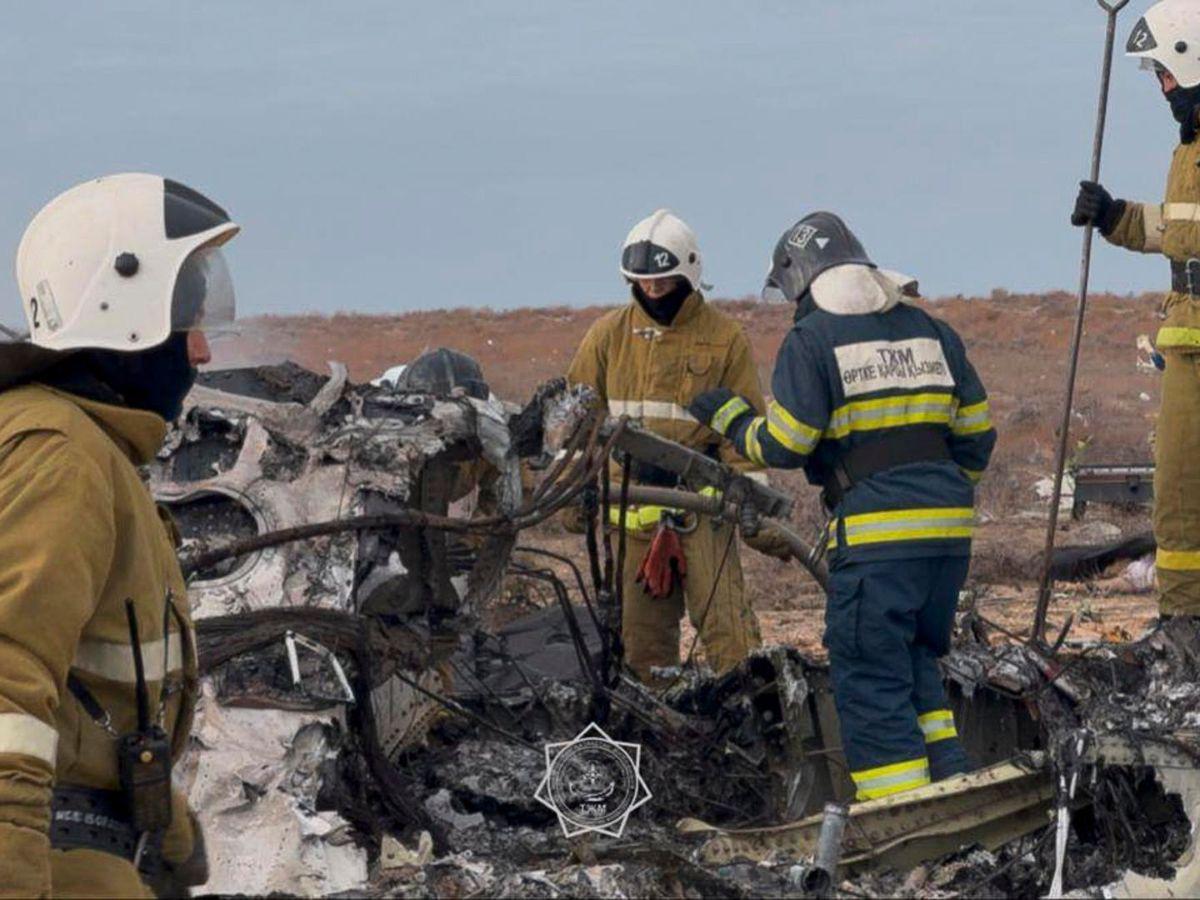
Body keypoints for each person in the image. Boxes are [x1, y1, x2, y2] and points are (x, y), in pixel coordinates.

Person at [690, 212, 996, 801]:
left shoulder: (813, 340)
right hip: (948, 539)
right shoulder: (931, 332)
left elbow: (788, 442)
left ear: (800, 283)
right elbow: (977, 436)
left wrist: (730, 417)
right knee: (914, 662)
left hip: (878, 541)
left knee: (869, 675)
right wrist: (939, 500)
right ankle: (954, 784)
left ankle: (900, 813)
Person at [0, 173, 240, 897]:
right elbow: (8, 677)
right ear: (124, 311)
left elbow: (92, 702)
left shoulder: (88, 448)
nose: (201, 351)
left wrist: (166, 825)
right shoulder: (63, 453)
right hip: (56, 859)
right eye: (187, 321)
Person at [566, 209, 766, 682]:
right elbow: (576, 425)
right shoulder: (607, 337)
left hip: (702, 515)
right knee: (641, 652)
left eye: (663, 282)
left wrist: (757, 512)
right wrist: (574, 492)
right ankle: (659, 742)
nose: (653, 292)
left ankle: (752, 728)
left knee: (730, 636)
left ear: (688, 275)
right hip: (629, 522)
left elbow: (744, 435)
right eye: (643, 283)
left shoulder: (724, 339)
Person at [1072, 0, 1200, 618]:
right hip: (1187, 343)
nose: (1163, 89)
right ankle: (1183, 630)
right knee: (1177, 500)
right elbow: (1178, 232)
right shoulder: (1189, 154)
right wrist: (1115, 215)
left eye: (1166, 74)